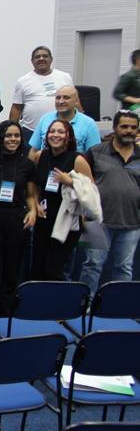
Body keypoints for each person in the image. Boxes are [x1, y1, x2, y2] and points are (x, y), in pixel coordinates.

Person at [0, 121, 38, 315]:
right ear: (1, 138)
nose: (13, 139)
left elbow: (30, 195)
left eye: (16, 136)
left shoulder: (27, 164)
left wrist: (33, 211)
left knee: (12, 269)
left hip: (17, 219)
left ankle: (5, 313)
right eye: (8, 135)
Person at [80, 110, 140, 294]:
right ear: (114, 128)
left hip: (132, 223)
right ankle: (84, 309)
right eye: (124, 126)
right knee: (92, 265)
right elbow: (83, 185)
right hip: (98, 222)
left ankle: (117, 309)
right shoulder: (96, 152)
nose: (128, 131)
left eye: (133, 127)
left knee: (124, 268)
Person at [32, 119, 93, 281]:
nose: (55, 135)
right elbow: (36, 187)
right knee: (38, 268)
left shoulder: (77, 160)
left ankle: (59, 305)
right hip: (43, 219)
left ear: (69, 136)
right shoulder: (40, 156)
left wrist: (71, 182)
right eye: (52, 131)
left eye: (60, 132)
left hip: (67, 222)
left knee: (55, 270)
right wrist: (36, 204)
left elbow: (91, 190)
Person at [9, 46, 74, 146]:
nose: (41, 59)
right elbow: (16, 108)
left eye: (45, 56)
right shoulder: (23, 81)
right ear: (32, 61)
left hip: (60, 132)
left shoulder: (65, 77)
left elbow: (74, 101)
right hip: (31, 131)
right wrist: (12, 130)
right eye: (37, 57)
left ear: (51, 59)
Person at [28, 85, 101, 155]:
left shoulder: (89, 123)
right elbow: (34, 150)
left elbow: (94, 155)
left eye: (66, 98)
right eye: (58, 98)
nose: (61, 101)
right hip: (46, 165)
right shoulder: (45, 118)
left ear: (76, 101)